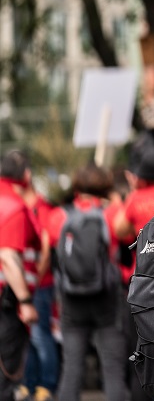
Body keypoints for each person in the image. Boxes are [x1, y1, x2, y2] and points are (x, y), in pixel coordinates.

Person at [48, 163, 129, 401]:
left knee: (72, 368)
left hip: (71, 298)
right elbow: (128, 241)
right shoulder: (113, 213)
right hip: (108, 297)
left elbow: (52, 254)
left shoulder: (58, 216)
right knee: (113, 369)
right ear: (105, 185)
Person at [4, 151, 58, 401]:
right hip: (16, 292)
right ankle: (33, 384)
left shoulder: (36, 207)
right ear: (26, 175)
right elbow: (9, 255)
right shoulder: (15, 206)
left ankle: (40, 385)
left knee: (37, 338)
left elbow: (42, 250)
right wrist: (24, 296)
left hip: (28, 289)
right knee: (26, 342)